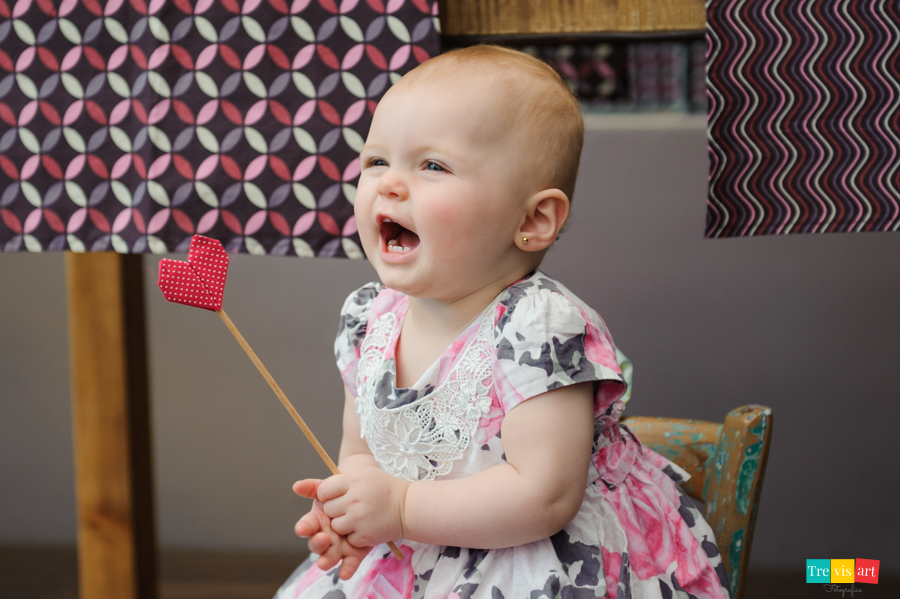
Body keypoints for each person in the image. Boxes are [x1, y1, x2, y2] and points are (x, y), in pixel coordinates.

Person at [275, 45, 731, 599]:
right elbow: (364, 454)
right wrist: (356, 517)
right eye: (376, 161)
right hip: (416, 546)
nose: (389, 185)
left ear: (534, 220)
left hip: (532, 559)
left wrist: (399, 507)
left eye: (433, 166)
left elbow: (543, 497)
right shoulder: (369, 320)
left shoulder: (535, 328)